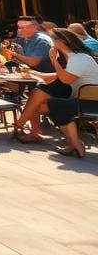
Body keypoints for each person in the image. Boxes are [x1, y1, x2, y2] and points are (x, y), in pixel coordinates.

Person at [23, 28, 98, 158]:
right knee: (43, 105)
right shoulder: (74, 58)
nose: (51, 43)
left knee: (56, 105)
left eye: (52, 40)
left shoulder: (79, 58)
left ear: (61, 41)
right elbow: (60, 77)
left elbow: (65, 79)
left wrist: (54, 60)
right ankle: (74, 143)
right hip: (83, 99)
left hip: (91, 101)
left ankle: (75, 143)